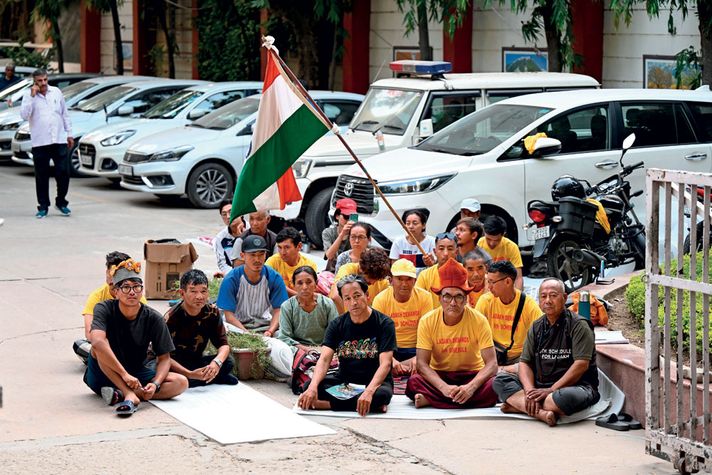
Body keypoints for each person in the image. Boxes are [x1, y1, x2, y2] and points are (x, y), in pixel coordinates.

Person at [83, 259, 188, 416]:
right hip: (104, 372)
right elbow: (97, 341)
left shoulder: (153, 318)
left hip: (136, 373)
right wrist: (124, 375)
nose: (132, 292)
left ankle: (121, 395)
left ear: (142, 291)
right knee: (99, 348)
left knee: (181, 383)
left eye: (136, 287)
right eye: (125, 287)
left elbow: (164, 358)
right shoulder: (104, 308)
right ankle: (128, 393)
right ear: (115, 292)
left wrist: (155, 384)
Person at [493, 278, 600, 426]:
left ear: (564, 297)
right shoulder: (536, 326)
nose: (548, 300)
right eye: (543, 296)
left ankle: (518, 406)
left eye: (553, 295)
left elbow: (581, 365)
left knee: (560, 399)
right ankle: (541, 413)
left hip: (575, 387)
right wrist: (530, 392)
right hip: (539, 385)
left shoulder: (578, 325)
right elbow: (524, 363)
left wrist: (551, 390)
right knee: (499, 381)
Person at [405, 259, 498, 409]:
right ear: (440, 298)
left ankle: (431, 400)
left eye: (458, 297)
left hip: (471, 374)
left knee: (496, 384)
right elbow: (422, 364)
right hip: (440, 375)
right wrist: (444, 388)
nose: (453, 303)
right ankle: (459, 400)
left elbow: (492, 364)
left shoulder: (479, 320)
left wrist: (471, 388)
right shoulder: (427, 321)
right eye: (447, 296)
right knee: (413, 382)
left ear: (466, 298)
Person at [297, 275, 396, 416]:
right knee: (309, 386)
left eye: (357, 296)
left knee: (382, 395)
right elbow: (324, 359)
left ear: (367, 295)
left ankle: (325, 405)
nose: (353, 302)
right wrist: (313, 387)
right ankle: (371, 406)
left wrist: (368, 392)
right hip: (346, 383)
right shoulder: (337, 324)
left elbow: (385, 364)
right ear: (343, 301)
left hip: (374, 382)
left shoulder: (384, 323)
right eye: (347, 298)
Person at [217, 234, 293, 378]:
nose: (257, 259)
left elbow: (279, 310)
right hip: (237, 328)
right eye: (252, 255)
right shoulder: (232, 278)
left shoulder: (274, 277)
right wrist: (246, 334)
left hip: (264, 328)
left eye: (261, 254)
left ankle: (284, 370)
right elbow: (229, 316)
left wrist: (270, 331)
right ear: (242, 255)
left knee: (286, 339)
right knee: (223, 332)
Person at [165, 269, 238, 387]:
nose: (199, 296)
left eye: (203, 291)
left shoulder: (212, 312)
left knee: (228, 362)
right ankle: (206, 378)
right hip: (174, 364)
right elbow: (163, 357)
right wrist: (189, 374)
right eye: (193, 291)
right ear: (182, 293)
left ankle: (204, 377)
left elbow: (223, 345)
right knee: (164, 374)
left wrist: (216, 363)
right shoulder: (172, 317)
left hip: (196, 360)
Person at [73, 251, 148, 364]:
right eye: (110, 273)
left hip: (129, 346)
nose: (112, 279)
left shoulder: (136, 297)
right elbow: (90, 333)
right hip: (105, 342)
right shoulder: (97, 296)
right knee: (81, 345)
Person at [20, 68, 74, 219]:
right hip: (40, 142)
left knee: (63, 173)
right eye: (40, 81)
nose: (43, 83)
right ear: (34, 82)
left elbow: (64, 114)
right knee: (42, 176)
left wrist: (69, 134)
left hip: (58, 139)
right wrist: (32, 96)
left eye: (45, 80)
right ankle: (43, 206)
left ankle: (61, 202)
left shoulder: (56, 92)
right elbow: (24, 115)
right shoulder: (28, 95)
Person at [475, 261, 542, 373]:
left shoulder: (529, 305)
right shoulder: (485, 301)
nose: (488, 287)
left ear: (507, 281)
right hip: (492, 355)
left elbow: (541, 338)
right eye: (488, 282)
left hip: (518, 359)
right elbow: (474, 333)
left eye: (492, 282)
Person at [372, 259, 433, 375]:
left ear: (415, 281)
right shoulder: (380, 300)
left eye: (409, 279)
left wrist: (418, 358)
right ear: (391, 280)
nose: (404, 284)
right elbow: (377, 335)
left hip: (417, 349)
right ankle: (401, 367)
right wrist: (390, 360)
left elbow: (428, 332)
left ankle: (399, 368)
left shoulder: (425, 297)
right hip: (390, 349)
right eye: (399, 279)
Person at [278, 266, 339, 354]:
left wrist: (323, 350)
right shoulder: (287, 306)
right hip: (297, 348)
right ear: (293, 285)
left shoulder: (327, 304)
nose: (305, 287)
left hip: (324, 348)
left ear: (316, 283)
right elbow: (284, 337)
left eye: (309, 282)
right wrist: (306, 349)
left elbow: (335, 333)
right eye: (299, 283)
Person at [330, 247, 391, 313]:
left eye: (376, 279)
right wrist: (345, 319)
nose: (373, 283)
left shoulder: (383, 282)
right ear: (361, 269)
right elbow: (335, 296)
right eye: (370, 278)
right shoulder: (347, 270)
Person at [265, 227, 318, 297]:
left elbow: (309, 293)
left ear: (299, 246)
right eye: (279, 247)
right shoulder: (273, 261)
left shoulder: (309, 265)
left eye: (287, 247)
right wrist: (298, 295)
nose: (282, 252)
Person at [477, 215, 524, 289]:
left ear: (503, 234)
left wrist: (519, 298)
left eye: (496, 240)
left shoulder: (512, 247)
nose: (492, 243)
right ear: (484, 232)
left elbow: (518, 278)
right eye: (488, 239)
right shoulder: (479, 245)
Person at [415, 232, 459, 308]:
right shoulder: (425, 276)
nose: (445, 253)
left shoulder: (465, 272)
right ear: (435, 252)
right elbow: (417, 302)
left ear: (456, 252)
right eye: (441, 249)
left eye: (450, 249)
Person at [389, 209, 435, 273]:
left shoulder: (432, 241)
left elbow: (436, 268)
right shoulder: (398, 242)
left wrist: (431, 264)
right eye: (408, 223)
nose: (410, 226)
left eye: (415, 223)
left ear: (424, 225)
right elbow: (394, 268)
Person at [322, 198, 356, 272]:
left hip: (351, 271)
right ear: (337, 216)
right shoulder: (328, 232)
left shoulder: (356, 234)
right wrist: (342, 234)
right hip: (332, 271)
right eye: (346, 216)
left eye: (352, 217)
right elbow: (329, 256)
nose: (348, 220)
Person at [213, 199, 245, 276]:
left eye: (231, 212)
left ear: (240, 212)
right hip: (233, 275)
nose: (228, 216)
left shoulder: (252, 230)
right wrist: (233, 273)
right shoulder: (220, 238)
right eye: (224, 214)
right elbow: (222, 263)